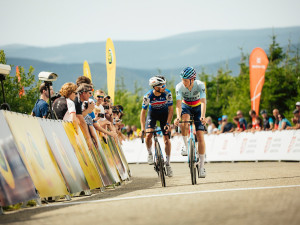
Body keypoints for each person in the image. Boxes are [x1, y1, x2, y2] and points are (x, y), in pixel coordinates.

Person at [174, 67, 206, 178]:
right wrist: (178, 117)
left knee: (200, 137)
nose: (184, 82)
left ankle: (202, 166)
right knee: (184, 122)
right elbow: (178, 104)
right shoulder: (179, 87)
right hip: (186, 106)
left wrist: (202, 116)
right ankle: (185, 145)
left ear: (192, 79)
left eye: (186, 80)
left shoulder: (200, 85)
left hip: (198, 107)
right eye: (182, 79)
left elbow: (203, 102)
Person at [140, 75, 173, 177]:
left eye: (165, 85)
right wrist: (142, 128)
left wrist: (168, 123)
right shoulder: (148, 96)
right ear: (155, 87)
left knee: (166, 140)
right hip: (152, 115)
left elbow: (171, 110)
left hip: (164, 115)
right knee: (148, 135)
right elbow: (143, 113)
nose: (164, 87)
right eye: (162, 86)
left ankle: (167, 163)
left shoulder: (167, 93)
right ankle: (150, 153)